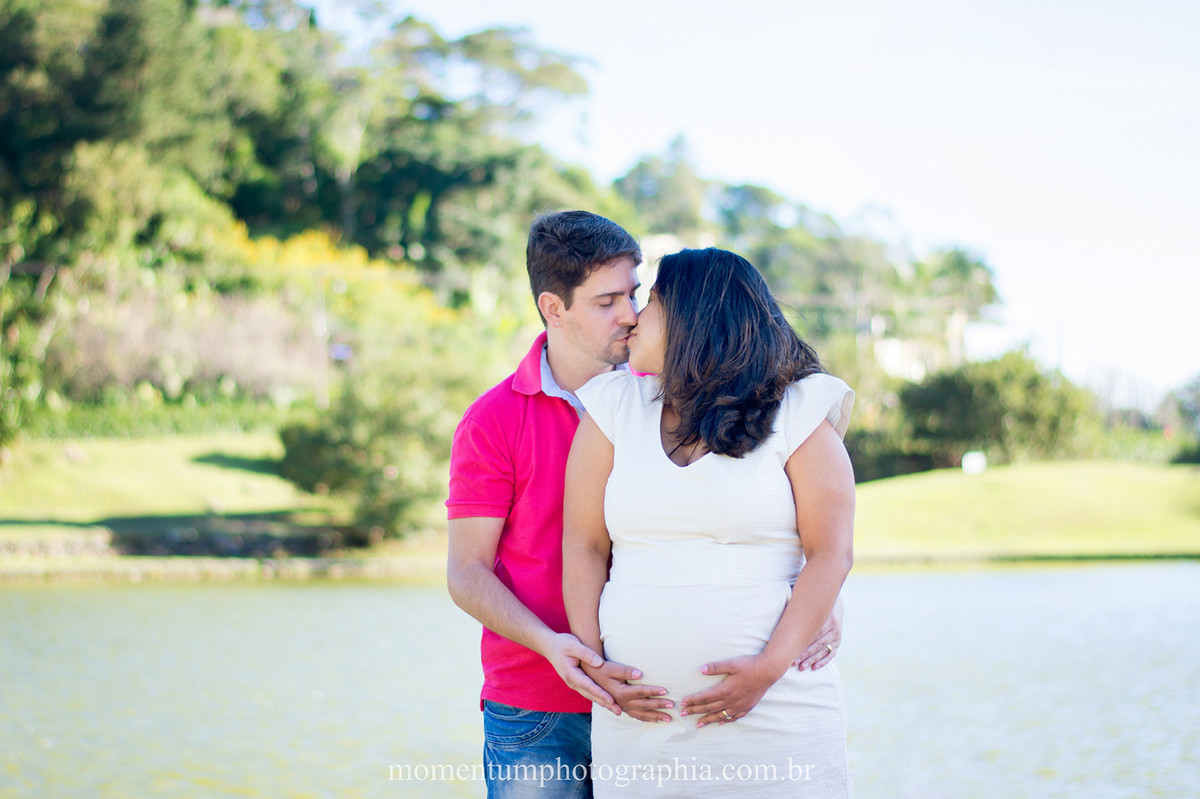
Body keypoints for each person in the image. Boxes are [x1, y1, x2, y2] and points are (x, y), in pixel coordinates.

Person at [447, 214, 844, 798]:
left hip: (679, 712)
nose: (630, 314)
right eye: (607, 301)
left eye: (635, 295)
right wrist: (566, 649)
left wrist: (814, 604)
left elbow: (791, 531)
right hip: (541, 701)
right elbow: (471, 570)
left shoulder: (669, 396)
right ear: (554, 308)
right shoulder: (499, 419)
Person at [564, 247, 856, 797]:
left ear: (692, 319)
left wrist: (767, 670)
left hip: (775, 715)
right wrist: (594, 662)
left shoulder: (800, 409)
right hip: (638, 729)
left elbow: (831, 554)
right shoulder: (611, 407)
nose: (633, 317)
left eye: (651, 300)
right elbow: (583, 546)